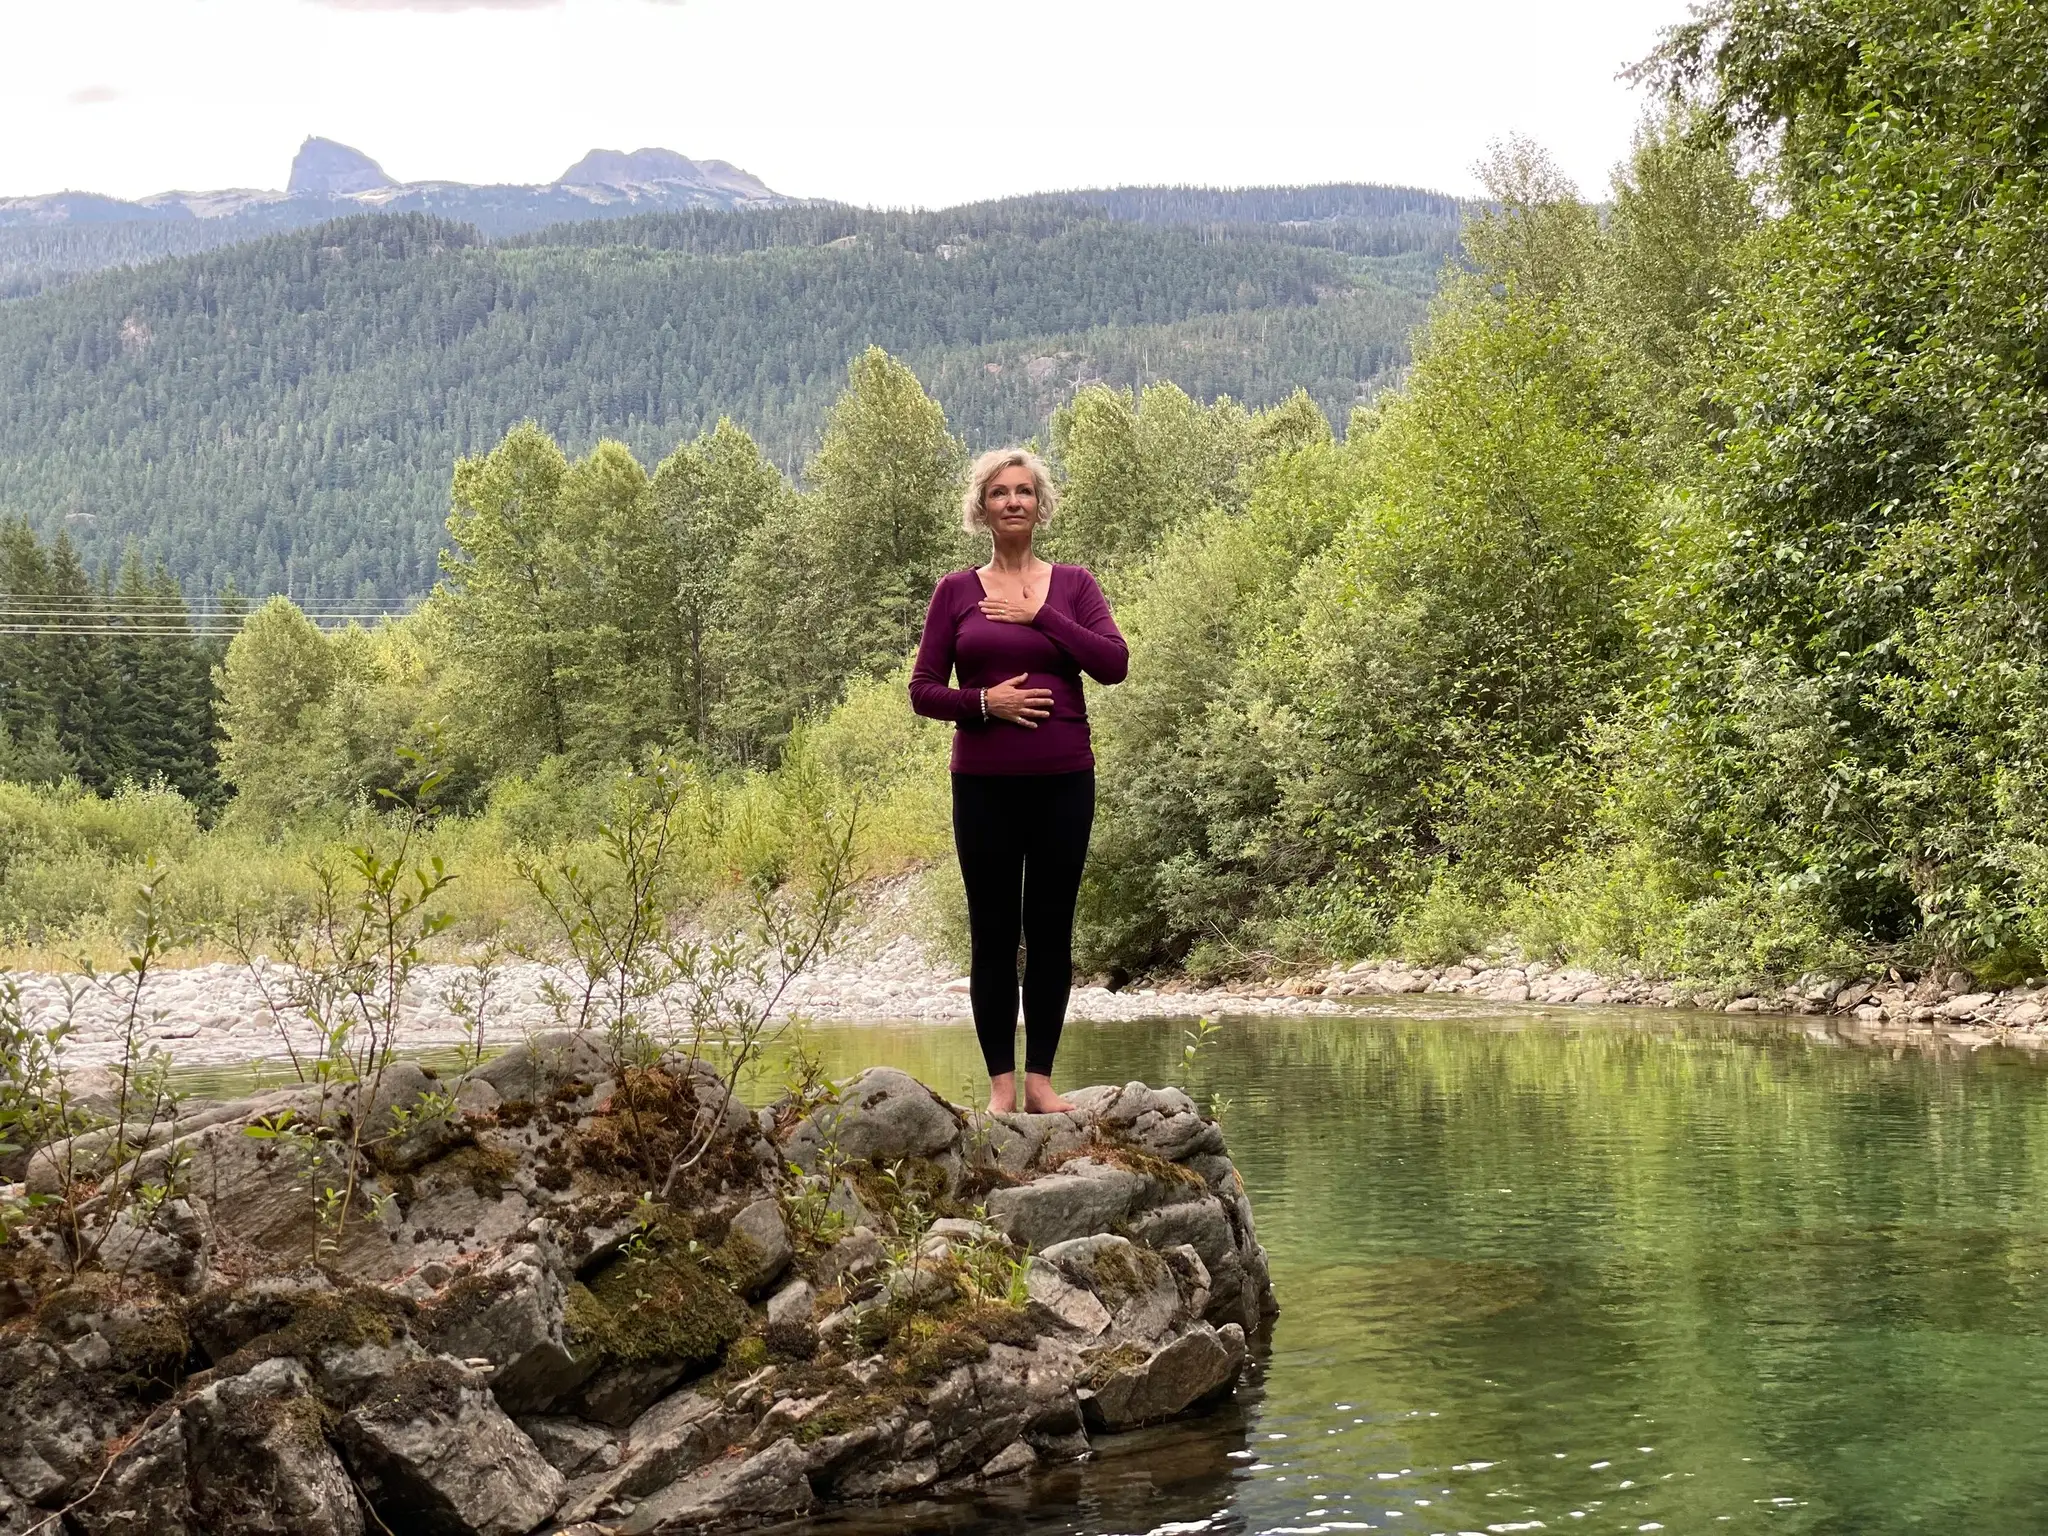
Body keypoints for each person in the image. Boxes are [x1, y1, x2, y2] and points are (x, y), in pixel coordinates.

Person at [909, 448, 1128, 1114]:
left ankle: (1040, 1081)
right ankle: (1001, 1088)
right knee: (995, 933)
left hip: (1064, 781)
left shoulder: (1074, 586)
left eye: (1024, 492)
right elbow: (922, 691)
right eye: (1000, 492)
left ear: (1040, 505)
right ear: (982, 508)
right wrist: (984, 704)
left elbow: (1113, 664)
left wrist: (1041, 618)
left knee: (1053, 930)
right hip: (984, 786)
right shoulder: (954, 592)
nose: (1012, 501)